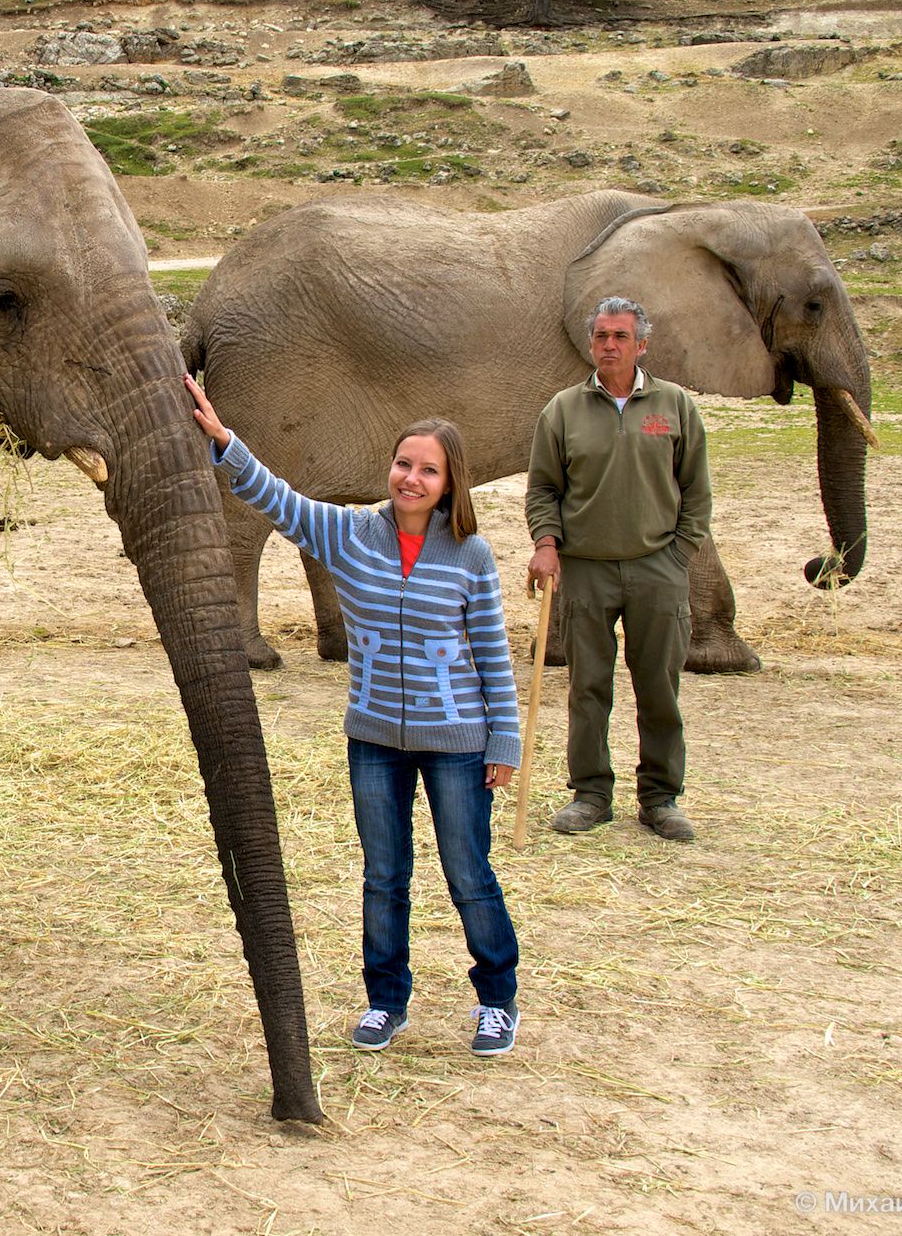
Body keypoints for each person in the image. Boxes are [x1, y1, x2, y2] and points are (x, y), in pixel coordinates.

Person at [186, 374, 523, 1058]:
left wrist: (505, 739)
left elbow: (493, 652)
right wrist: (225, 443)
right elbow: (278, 500)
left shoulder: (471, 554)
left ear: (451, 481)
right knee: (383, 873)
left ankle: (495, 998)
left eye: (428, 469)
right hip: (373, 740)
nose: (411, 477)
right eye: (404, 463)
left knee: (468, 872)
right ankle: (385, 1001)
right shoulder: (349, 534)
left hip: (457, 742)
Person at [524, 296, 711, 843]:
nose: (609, 345)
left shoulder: (674, 406)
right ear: (591, 343)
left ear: (642, 345)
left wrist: (678, 554)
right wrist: (546, 542)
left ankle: (660, 798)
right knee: (588, 688)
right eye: (601, 336)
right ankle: (590, 795)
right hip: (584, 571)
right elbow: (543, 490)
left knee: (659, 688)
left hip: (659, 568)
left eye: (620, 337)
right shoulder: (562, 410)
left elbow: (697, 490)